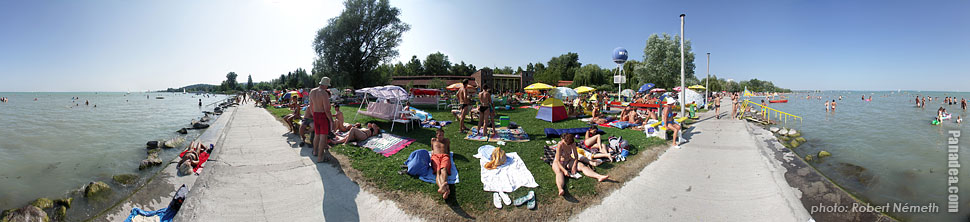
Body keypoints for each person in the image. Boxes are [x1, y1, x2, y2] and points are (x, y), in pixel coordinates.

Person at [310, 77, 334, 163]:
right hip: (322, 115)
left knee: (317, 135)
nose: (327, 87)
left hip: (315, 114)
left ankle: (315, 151)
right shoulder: (324, 93)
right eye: (327, 85)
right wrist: (331, 120)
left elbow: (311, 105)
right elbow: (327, 109)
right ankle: (320, 157)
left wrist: (313, 114)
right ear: (325, 85)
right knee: (323, 136)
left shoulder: (312, 91)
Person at [430, 129, 452, 199]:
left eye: (442, 135)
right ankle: (444, 188)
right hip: (435, 156)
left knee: (444, 169)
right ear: (436, 135)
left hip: (445, 156)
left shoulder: (446, 140)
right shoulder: (433, 140)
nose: (441, 137)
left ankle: (443, 188)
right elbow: (432, 149)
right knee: (438, 172)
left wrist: (448, 157)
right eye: (439, 135)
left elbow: (448, 150)